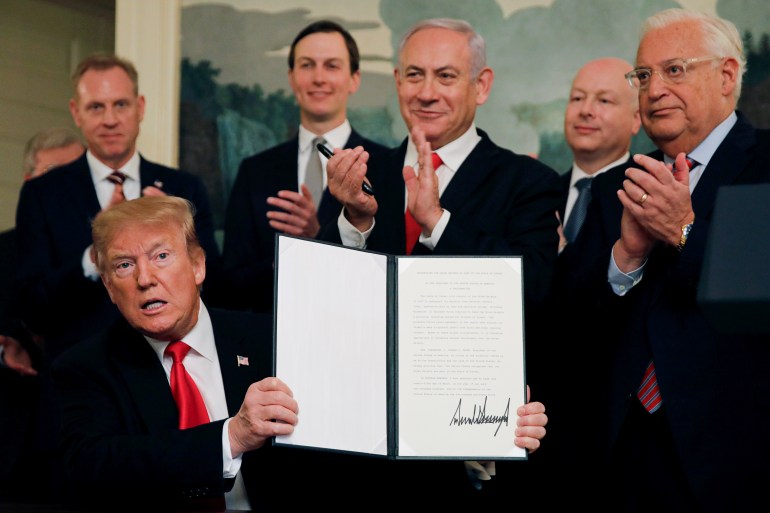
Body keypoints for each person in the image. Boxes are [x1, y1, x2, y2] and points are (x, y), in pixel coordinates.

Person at [320, 17, 557, 504]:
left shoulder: (526, 181)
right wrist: (355, 223)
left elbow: (531, 288)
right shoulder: (360, 172)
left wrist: (437, 222)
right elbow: (323, 303)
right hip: (362, 453)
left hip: (471, 460)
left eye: (446, 76)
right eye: (414, 75)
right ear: (398, 83)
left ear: (481, 85)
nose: (427, 92)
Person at [545, 8, 770, 510]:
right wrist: (625, 258)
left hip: (733, 462)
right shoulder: (611, 189)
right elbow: (565, 324)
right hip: (615, 459)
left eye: (675, 70)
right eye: (644, 75)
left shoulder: (764, 166)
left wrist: (685, 233)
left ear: (727, 75)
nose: (655, 89)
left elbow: (759, 294)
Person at [50, 196, 298, 511]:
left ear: (198, 266)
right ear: (110, 287)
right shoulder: (85, 367)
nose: (145, 279)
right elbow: (95, 467)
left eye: (162, 256)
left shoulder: (269, 339)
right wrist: (230, 438)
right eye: (124, 265)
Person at [14, 53, 223, 362]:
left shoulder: (183, 189)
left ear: (140, 108)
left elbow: (216, 288)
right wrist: (93, 254)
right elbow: (31, 309)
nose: (110, 119)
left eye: (120, 105)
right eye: (96, 107)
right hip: (76, 377)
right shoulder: (42, 193)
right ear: (76, 112)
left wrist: (166, 235)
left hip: (169, 372)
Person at [222, 20, 387, 312]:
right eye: (307, 65)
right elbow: (231, 283)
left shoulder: (387, 166)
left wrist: (318, 238)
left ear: (354, 78)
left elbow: (389, 273)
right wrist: (288, 255)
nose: (319, 78)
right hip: (269, 338)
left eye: (332, 66)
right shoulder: (254, 171)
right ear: (291, 76)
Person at [0, 127, 85, 503]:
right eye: (54, 175)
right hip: (13, 435)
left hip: (82, 432)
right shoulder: (3, 249)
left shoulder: (110, 258)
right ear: (29, 182)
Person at [557, 57, 640, 252]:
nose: (585, 111)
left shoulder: (643, 196)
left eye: (604, 100)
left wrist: (562, 249)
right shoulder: (541, 193)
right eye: (577, 98)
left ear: (636, 119)